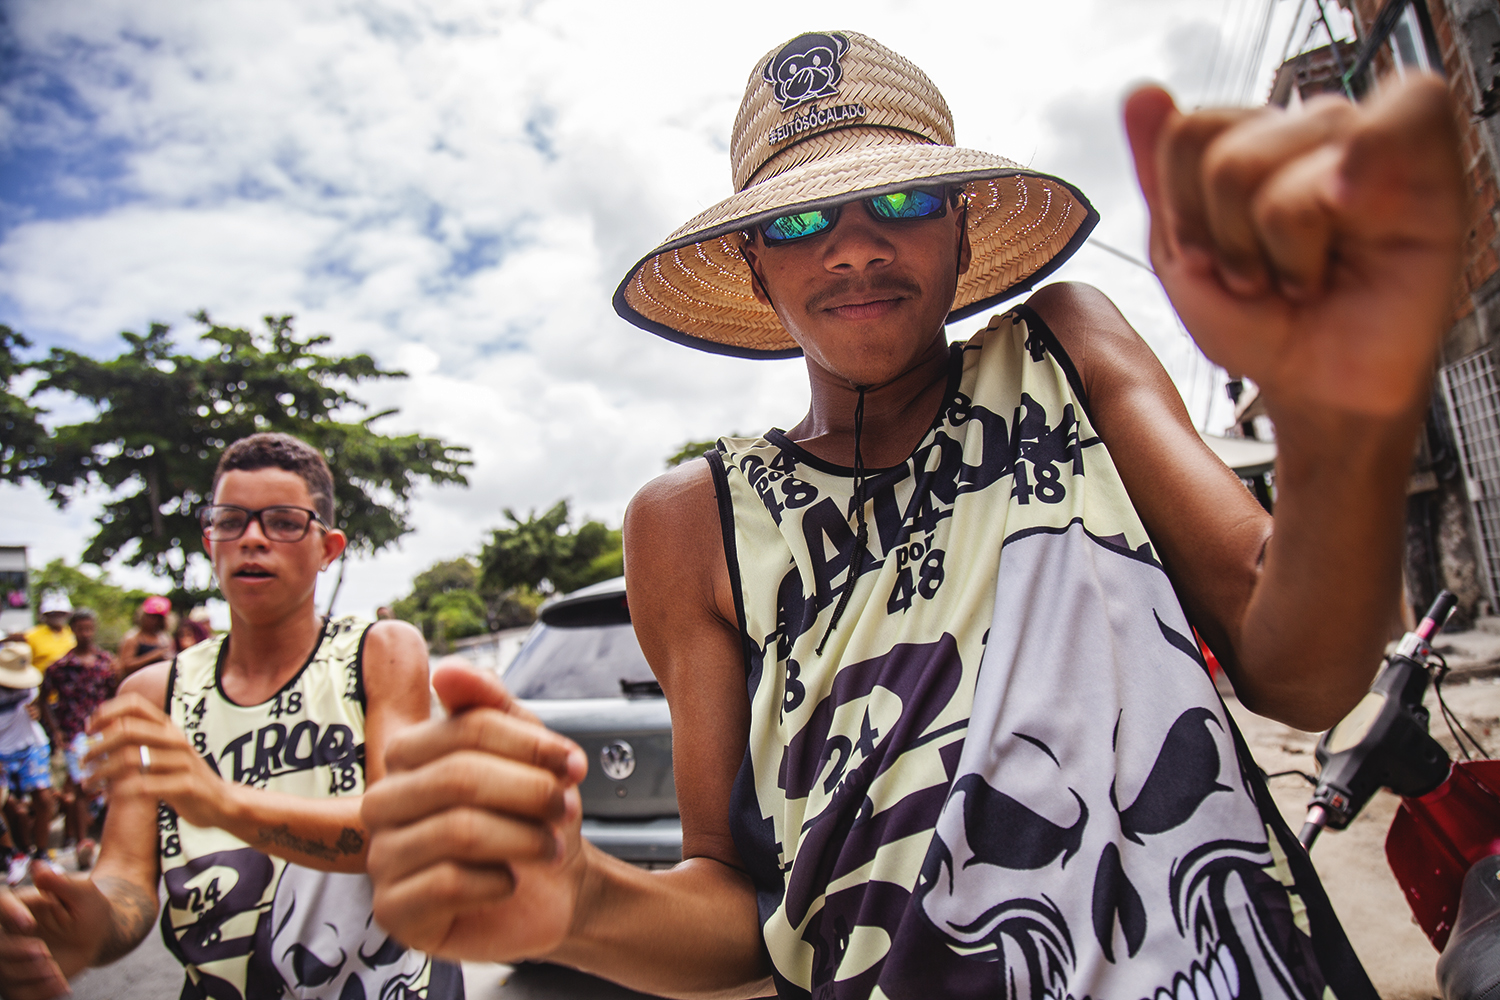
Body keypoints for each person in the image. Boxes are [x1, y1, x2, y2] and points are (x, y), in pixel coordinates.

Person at [360, 30, 1465, 1000]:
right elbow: (740, 915)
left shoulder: (1065, 353)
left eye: (899, 200)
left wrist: (1339, 427)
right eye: (798, 220)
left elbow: (1307, 674)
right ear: (754, 265)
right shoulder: (692, 520)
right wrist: (585, 899)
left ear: (964, 232)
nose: (853, 247)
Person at [0, 432, 463, 999]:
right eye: (231, 520)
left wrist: (222, 801)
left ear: (328, 548)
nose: (252, 539)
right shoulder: (153, 692)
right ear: (209, 540)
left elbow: (400, 834)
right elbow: (127, 878)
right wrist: (88, 925)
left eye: (284, 522)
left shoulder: (379, 652)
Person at [37, 609, 117, 870]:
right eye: (79, 628)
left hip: (103, 729)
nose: (85, 633)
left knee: (109, 784)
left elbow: (115, 694)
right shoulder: (60, 667)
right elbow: (44, 699)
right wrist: (56, 730)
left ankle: (112, 841)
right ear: (72, 630)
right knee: (82, 786)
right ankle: (83, 843)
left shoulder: (106, 662)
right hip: (74, 733)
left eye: (88, 628)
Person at [0, 643, 53, 886]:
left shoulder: (31, 684)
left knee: (43, 798)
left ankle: (42, 855)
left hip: (31, 744)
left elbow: (37, 706)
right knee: (6, 804)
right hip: (2, 751)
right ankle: (15, 855)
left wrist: (38, 712)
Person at [7, 595, 74, 674]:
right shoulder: (31, 635)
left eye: (61, 613)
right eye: (53, 613)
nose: (57, 617)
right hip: (40, 682)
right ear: (45, 615)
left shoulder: (71, 633)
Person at [113, 595, 175, 679]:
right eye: (151, 616)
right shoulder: (133, 638)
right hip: (135, 683)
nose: (154, 621)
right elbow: (124, 666)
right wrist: (153, 656)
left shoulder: (165, 639)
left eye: (158, 618)